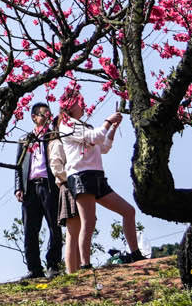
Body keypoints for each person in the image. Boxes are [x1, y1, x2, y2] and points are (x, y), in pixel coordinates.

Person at [56, 88, 143, 270]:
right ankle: (85, 265)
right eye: (80, 102)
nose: (84, 105)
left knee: (128, 211)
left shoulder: (81, 126)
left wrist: (112, 128)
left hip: (96, 176)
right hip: (81, 176)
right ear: (70, 105)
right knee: (88, 222)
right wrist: (108, 121)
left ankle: (136, 253)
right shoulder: (66, 125)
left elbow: (103, 146)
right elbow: (95, 136)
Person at [13, 103, 66, 279]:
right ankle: (34, 269)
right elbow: (18, 166)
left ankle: (53, 265)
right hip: (30, 189)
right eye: (43, 115)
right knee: (30, 229)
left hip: (49, 186)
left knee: (54, 226)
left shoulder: (53, 137)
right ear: (34, 117)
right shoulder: (24, 140)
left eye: (48, 115)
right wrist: (18, 188)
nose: (47, 118)